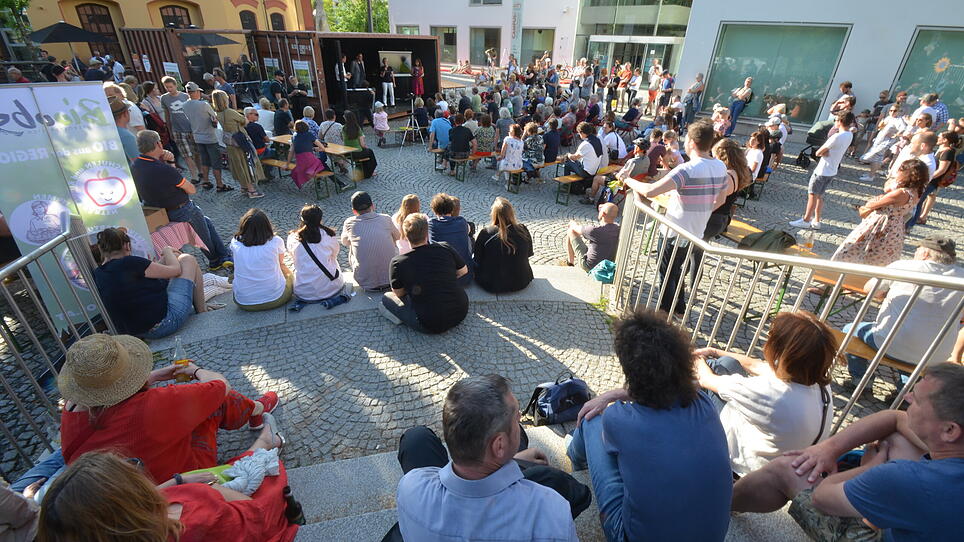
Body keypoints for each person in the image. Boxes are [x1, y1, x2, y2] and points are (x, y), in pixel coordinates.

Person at [731, 363, 964, 542]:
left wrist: (871, 468)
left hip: (883, 513)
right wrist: (827, 449)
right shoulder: (954, 444)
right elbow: (895, 417)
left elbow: (821, 498)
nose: (907, 397)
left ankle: (717, 505)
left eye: (918, 401)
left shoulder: (907, 478)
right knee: (896, 439)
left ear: (950, 430)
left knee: (787, 467)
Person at [568, 309, 732, 542]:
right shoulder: (703, 402)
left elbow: (627, 409)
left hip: (629, 536)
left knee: (591, 418)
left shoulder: (618, 418)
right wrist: (618, 393)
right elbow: (683, 384)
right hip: (713, 536)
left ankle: (575, 460)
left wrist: (609, 396)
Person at [58, 332, 280, 482]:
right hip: (170, 480)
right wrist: (195, 371)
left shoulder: (72, 406)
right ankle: (256, 411)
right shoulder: (154, 403)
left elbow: (109, 400)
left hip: (115, 484)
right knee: (215, 402)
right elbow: (220, 386)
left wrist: (152, 378)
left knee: (194, 405)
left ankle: (254, 411)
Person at [393, 374, 587, 542]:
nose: (519, 417)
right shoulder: (549, 509)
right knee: (556, 480)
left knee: (416, 439)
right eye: (516, 416)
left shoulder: (410, 486)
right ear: (499, 445)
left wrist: (515, 458)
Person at [39, 437, 295, 541]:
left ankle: (265, 437)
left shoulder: (131, 527)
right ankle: (266, 437)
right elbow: (253, 516)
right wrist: (215, 490)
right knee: (264, 473)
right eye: (131, 468)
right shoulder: (198, 517)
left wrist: (176, 481)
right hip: (236, 509)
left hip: (187, 491)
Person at [694, 311, 836, 476]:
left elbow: (706, 379)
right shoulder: (818, 384)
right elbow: (755, 365)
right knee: (727, 362)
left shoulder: (770, 393)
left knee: (712, 367)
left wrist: (696, 358)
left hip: (745, 467)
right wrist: (714, 351)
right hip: (783, 461)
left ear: (781, 351)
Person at [623, 120, 728, 315]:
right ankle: (678, 306)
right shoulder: (720, 167)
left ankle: (665, 313)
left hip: (674, 231)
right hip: (696, 231)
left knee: (667, 272)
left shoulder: (687, 169)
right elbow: (720, 200)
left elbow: (651, 191)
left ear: (692, 142)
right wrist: (699, 208)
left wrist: (627, 180)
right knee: (676, 269)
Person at [844, 233, 964, 387]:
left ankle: (860, 380)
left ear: (925, 253)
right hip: (936, 354)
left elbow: (869, 289)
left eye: (917, 249)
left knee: (850, 329)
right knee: (917, 343)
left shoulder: (903, 266)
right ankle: (904, 391)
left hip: (891, 343)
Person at [131, 130, 233, 271]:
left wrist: (171, 162)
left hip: (159, 211)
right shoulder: (162, 169)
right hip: (180, 209)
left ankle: (224, 255)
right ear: (158, 144)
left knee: (206, 221)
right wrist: (170, 164)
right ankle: (215, 260)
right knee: (201, 233)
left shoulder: (136, 166)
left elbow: (169, 179)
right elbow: (191, 189)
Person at [92, 228, 210, 339]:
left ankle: (199, 303)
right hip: (164, 324)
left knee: (172, 258)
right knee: (187, 259)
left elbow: (145, 276)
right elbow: (176, 270)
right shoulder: (131, 263)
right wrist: (166, 250)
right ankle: (202, 309)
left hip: (134, 330)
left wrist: (168, 258)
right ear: (127, 245)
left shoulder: (99, 273)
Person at [379, 212, 469, 334]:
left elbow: (399, 293)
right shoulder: (445, 247)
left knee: (386, 298)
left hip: (429, 323)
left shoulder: (398, 262)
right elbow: (464, 271)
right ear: (427, 233)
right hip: (461, 311)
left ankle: (401, 318)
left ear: (405, 235)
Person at [833, 159, 928, 266]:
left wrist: (877, 198)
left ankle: (839, 270)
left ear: (907, 174)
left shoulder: (901, 193)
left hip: (881, 224)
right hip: (895, 226)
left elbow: (871, 205)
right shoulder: (917, 191)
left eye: (900, 170)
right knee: (878, 255)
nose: (898, 172)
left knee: (852, 249)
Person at [789, 112, 856, 230]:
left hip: (822, 170)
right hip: (832, 170)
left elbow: (818, 152)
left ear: (839, 121)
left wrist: (824, 152)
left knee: (812, 195)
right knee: (819, 196)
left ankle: (806, 220)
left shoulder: (836, 136)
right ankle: (817, 221)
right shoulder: (849, 134)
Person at [286, 205, 348, 313]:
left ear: (302, 219)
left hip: (303, 292)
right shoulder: (329, 236)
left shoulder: (292, 238)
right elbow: (334, 255)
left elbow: (293, 257)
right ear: (320, 219)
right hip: (332, 287)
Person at [230, 209, 293, 311]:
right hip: (276, 298)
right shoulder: (276, 241)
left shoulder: (235, 242)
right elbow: (281, 263)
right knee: (288, 274)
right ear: (267, 225)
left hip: (243, 302)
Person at [341, 191, 400, 291]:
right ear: (373, 206)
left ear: (354, 211)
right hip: (392, 278)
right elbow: (398, 236)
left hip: (365, 282)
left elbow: (344, 242)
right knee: (392, 240)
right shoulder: (386, 218)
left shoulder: (349, 223)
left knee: (352, 244)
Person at [474, 197, 533, 293]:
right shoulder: (523, 230)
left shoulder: (486, 233)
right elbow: (529, 254)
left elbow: (477, 258)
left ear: (494, 214)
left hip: (492, 283)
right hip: (521, 281)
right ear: (511, 213)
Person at [213, 90, 264, 198]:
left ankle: (244, 187)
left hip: (229, 142)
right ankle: (251, 190)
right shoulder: (230, 112)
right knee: (245, 163)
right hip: (239, 141)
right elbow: (245, 121)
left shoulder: (218, 113)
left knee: (237, 164)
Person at [182, 82, 228, 191]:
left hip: (197, 136)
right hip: (209, 136)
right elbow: (214, 117)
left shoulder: (184, 105)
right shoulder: (203, 105)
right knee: (216, 161)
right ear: (196, 92)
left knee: (204, 160)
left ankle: (206, 181)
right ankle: (220, 184)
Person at [908, 131, 960, 227]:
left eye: (940, 136)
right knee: (918, 200)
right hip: (930, 180)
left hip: (932, 181)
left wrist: (927, 178)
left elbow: (942, 170)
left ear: (945, 140)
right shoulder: (942, 149)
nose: (938, 138)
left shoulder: (948, 152)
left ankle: (910, 224)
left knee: (918, 201)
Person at [428, 193, 474, 286]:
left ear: (434, 210)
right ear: (451, 208)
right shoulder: (462, 222)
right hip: (465, 278)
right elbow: (469, 231)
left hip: (441, 279)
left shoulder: (431, 224)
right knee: (470, 238)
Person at [561, 202, 620, 271]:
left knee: (571, 231)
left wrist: (572, 222)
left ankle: (570, 262)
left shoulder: (594, 230)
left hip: (590, 266)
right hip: (607, 265)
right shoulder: (618, 229)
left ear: (603, 214)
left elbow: (575, 228)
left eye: (600, 209)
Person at [860, 104, 906, 181]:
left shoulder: (899, 120)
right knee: (876, 158)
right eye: (890, 110)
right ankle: (871, 173)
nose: (892, 112)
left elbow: (903, 129)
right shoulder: (889, 118)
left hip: (885, 143)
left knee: (874, 157)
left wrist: (895, 135)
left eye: (894, 111)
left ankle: (871, 176)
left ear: (898, 111)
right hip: (879, 140)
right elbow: (881, 127)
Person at [563, 122, 604, 195]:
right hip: (594, 171)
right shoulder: (597, 140)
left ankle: (566, 185)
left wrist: (568, 154)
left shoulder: (585, 144)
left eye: (579, 133)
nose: (578, 135)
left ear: (582, 132)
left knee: (567, 163)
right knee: (575, 163)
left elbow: (574, 158)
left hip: (586, 172)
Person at [286, 119, 329, 190]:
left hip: (300, 161)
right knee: (321, 163)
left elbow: (291, 151)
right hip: (309, 159)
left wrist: (287, 164)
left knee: (315, 163)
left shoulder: (294, 136)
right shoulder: (309, 134)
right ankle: (312, 170)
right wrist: (317, 149)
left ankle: (312, 173)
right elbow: (322, 147)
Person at [342, 110, 378, 178]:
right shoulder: (357, 128)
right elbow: (362, 144)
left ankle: (362, 171)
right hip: (356, 152)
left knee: (365, 153)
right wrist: (365, 147)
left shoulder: (343, 128)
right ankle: (370, 172)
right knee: (370, 152)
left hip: (348, 153)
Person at [109, 96, 138, 162]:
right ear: (125, 113)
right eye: (129, 110)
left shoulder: (108, 132)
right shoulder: (126, 136)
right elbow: (137, 162)